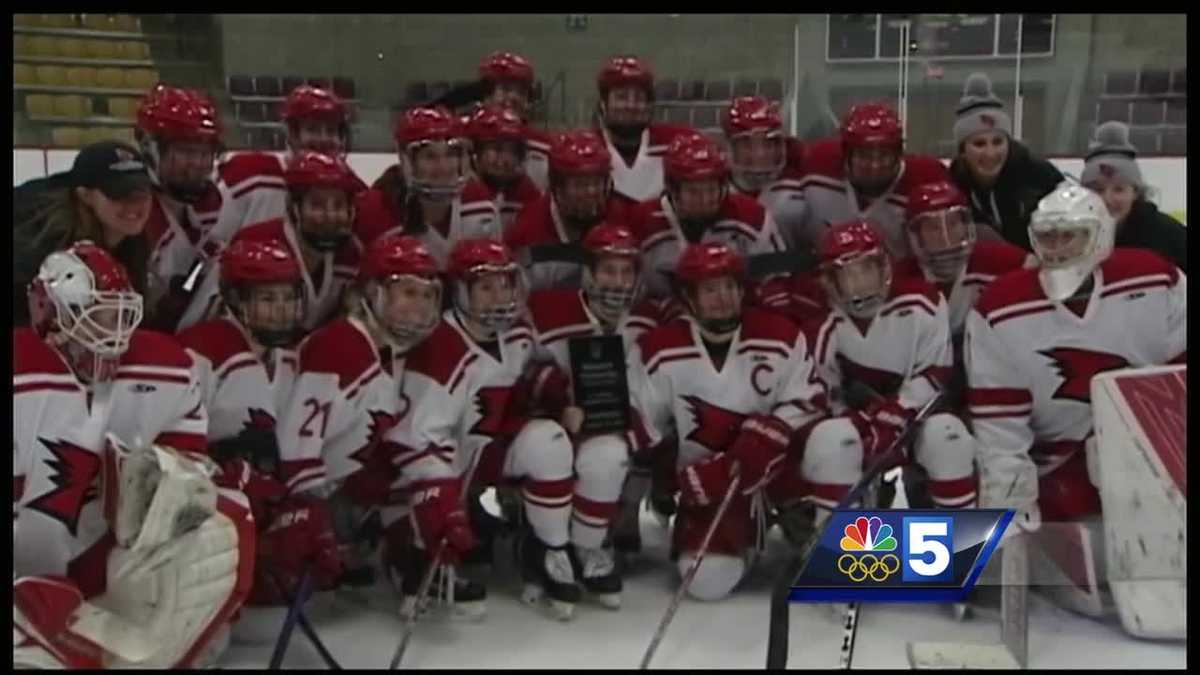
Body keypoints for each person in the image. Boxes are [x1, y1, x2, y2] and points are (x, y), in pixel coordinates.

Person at [12, 241, 253, 668]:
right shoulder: (23, 370)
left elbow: (191, 468)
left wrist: (159, 482)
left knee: (221, 526)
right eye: (99, 314)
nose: (115, 328)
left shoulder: (164, 368)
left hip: (96, 557)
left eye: (120, 312)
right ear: (51, 316)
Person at [965, 183, 1186, 619]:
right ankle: (836, 556)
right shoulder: (1000, 308)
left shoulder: (1156, 279)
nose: (1060, 250)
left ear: (1101, 235)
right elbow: (1001, 432)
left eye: (1072, 236)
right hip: (1057, 463)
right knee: (1038, 538)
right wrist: (1012, 514)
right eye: (1048, 237)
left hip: (1152, 451)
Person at [385, 238, 583, 620]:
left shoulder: (518, 333)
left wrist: (551, 389)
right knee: (424, 519)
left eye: (505, 284)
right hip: (423, 468)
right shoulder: (439, 346)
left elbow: (522, 379)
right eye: (486, 287)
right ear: (461, 290)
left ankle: (546, 549)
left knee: (550, 440)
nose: (498, 297)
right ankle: (408, 553)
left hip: (481, 452)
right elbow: (417, 441)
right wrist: (441, 506)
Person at [625, 242, 826, 601]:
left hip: (783, 470)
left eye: (731, 286)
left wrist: (770, 435)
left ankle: (837, 541)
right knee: (704, 581)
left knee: (836, 443)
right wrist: (674, 478)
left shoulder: (779, 333)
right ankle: (749, 532)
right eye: (710, 289)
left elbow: (810, 401)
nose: (724, 298)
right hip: (715, 485)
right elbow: (643, 428)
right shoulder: (659, 349)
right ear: (688, 296)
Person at [274, 234, 450, 606]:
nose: (418, 307)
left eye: (426, 295)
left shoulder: (386, 349)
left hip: (323, 489)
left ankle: (386, 549)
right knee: (261, 625)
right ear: (372, 294)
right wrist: (306, 518)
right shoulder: (340, 346)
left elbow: (397, 434)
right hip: (275, 494)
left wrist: (439, 492)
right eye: (407, 292)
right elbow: (295, 447)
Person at [773, 222, 975, 538]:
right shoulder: (822, 326)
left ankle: (960, 551)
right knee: (832, 441)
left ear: (884, 266)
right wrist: (865, 423)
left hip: (917, 422)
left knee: (950, 437)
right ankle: (850, 553)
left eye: (866, 269)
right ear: (830, 280)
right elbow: (826, 396)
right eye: (848, 274)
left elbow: (935, 373)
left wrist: (900, 409)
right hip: (864, 430)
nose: (860, 282)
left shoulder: (923, 301)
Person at [524, 223, 668, 607]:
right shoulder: (545, 309)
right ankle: (548, 547)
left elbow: (651, 386)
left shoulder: (649, 319)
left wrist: (628, 428)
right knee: (547, 445)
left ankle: (587, 545)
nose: (617, 282)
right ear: (587, 272)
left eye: (627, 271)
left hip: (606, 427)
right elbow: (519, 368)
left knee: (609, 454)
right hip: (547, 424)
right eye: (607, 270)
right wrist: (556, 396)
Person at [176, 150, 365, 332]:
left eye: (339, 205)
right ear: (295, 207)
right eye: (317, 204)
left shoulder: (350, 255)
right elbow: (206, 320)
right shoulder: (255, 244)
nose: (330, 215)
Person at [630, 130, 785, 299]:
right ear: (672, 189)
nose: (704, 200)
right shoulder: (641, 221)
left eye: (711, 190)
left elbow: (778, 280)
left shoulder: (752, 217)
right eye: (693, 191)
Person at [13, 140, 154, 326]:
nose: (134, 206)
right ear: (85, 195)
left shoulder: (131, 237)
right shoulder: (41, 248)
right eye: (118, 194)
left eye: (141, 194)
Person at [798, 102, 953, 258]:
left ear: (899, 154)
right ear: (846, 154)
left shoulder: (926, 178)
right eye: (864, 155)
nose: (875, 165)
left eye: (884, 155)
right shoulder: (818, 164)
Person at [133, 84, 229, 330]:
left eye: (205, 152)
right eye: (185, 151)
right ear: (150, 148)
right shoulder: (131, 212)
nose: (197, 164)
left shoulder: (211, 204)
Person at [354, 106, 500, 264]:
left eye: (450, 155)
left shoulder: (479, 201)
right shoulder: (375, 211)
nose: (443, 168)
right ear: (406, 161)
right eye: (430, 157)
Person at [217, 83, 366, 238]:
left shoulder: (351, 190)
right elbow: (213, 243)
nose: (323, 139)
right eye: (312, 129)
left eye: (331, 131)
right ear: (292, 134)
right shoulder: (249, 176)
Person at [506, 129, 639, 292]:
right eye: (580, 185)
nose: (591, 193)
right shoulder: (526, 228)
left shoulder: (625, 218)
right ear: (557, 188)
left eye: (596, 183)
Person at [947, 72, 1063, 251]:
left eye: (998, 142)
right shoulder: (952, 187)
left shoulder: (1041, 177)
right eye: (979, 144)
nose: (990, 153)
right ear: (963, 151)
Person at [1081, 121, 1187, 272]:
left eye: (1119, 190)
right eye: (1098, 190)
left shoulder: (1167, 235)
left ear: (1135, 192)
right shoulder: (1068, 237)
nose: (1107, 199)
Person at [593, 55, 694, 205]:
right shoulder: (588, 150)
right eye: (621, 97)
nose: (631, 105)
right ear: (603, 104)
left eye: (639, 98)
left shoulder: (678, 143)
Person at [721, 96, 809, 251]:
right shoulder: (712, 190)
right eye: (747, 145)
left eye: (769, 144)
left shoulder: (802, 178)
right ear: (729, 147)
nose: (760, 155)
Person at [476, 50, 553, 191]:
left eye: (521, 92)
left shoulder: (545, 147)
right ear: (486, 95)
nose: (514, 98)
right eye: (506, 89)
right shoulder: (465, 140)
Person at [463, 104, 543, 231]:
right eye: (497, 149)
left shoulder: (526, 192)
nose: (505, 160)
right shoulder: (461, 194)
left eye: (513, 151)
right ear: (475, 151)